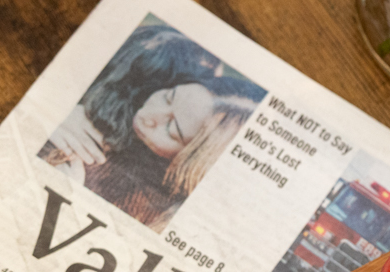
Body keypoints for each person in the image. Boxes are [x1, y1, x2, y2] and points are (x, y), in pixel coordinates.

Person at [41, 25, 262, 231]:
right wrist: (54, 111)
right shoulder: (94, 123)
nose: (148, 116)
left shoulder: (166, 213)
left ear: (188, 160)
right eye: (168, 96)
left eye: (172, 130)